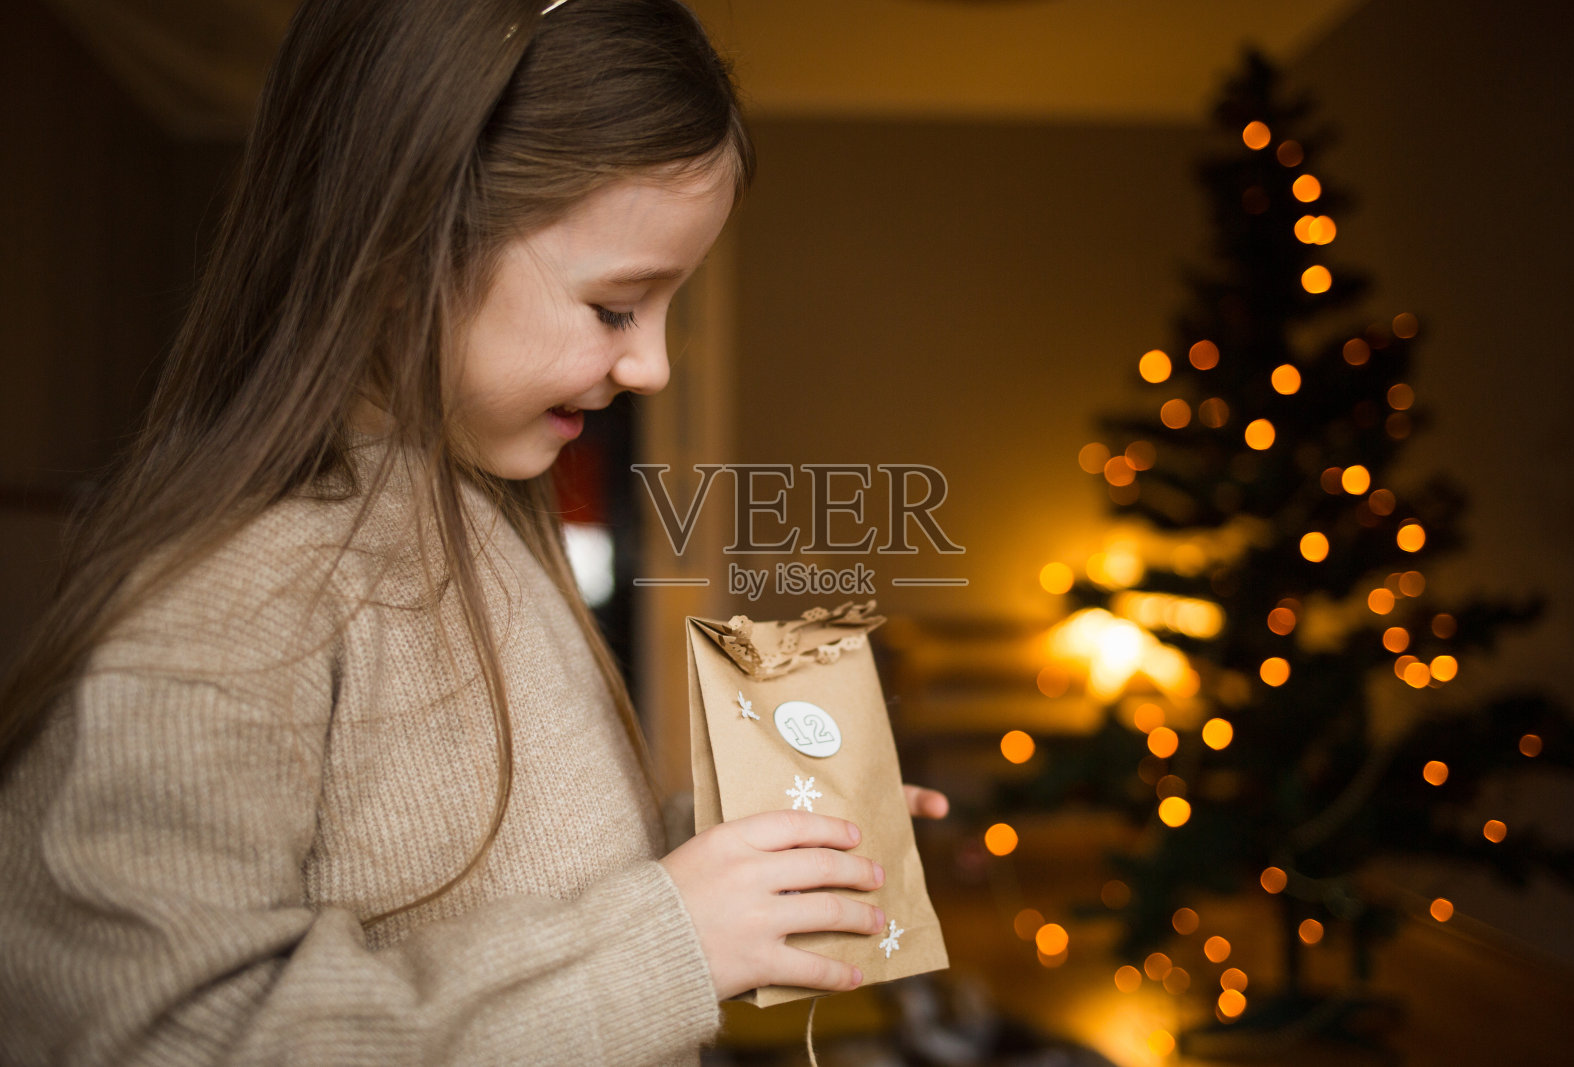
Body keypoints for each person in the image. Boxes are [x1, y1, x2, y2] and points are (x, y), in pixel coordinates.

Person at [0, 1, 948, 1063]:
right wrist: (663, 940)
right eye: (615, 306)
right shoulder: (228, 591)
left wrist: (733, 863)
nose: (651, 366)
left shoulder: (485, 513)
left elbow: (506, 894)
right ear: (402, 256)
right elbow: (160, 1033)